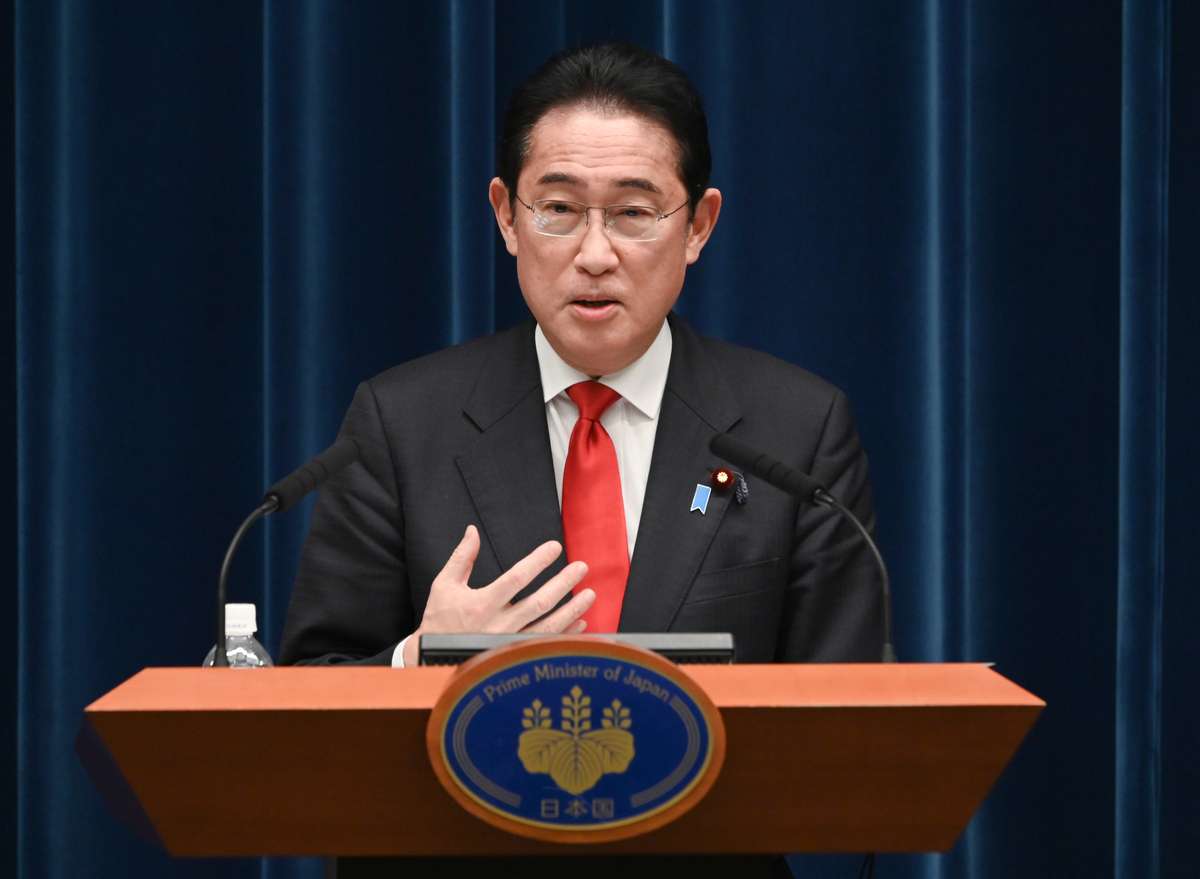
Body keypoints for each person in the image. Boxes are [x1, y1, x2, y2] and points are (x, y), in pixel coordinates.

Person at [280, 42, 881, 879]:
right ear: (506, 215)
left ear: (699, 225)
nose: (594, 253)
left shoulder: (795, 430)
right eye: (559, 208)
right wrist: (422, 660)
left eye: (634, 212)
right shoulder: (401, 421)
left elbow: (848, 724)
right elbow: (301, 707)